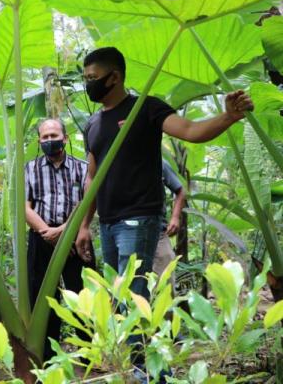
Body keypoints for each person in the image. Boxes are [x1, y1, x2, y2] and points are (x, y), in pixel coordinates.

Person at [76, 47, 253, 381]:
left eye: (92, 78)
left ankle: (151, 375)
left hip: (139, 219)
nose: (88, 85)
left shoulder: (145, 108)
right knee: (122, 301)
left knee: (136, 298)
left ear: (115, 77)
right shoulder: (92, 124)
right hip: (109, 224)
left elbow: (189, 130)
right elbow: (92, 177)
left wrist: (228, 116)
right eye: (86, 79)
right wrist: (85, 225)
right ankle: (149, 371)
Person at [25, 118, 95, 362]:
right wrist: (48, 232)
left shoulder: (82, 168)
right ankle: (47, 356)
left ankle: (89, 355)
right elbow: (26, 207)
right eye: (45, 137)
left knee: (82, 293)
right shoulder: (29, 169)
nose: (49, 140)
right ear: (39, 141)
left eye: (54, 135)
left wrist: (64, 231)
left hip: (77, 237)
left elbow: (87, 203)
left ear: (65, 138)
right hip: (40, 238)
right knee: (43, 297)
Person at [153, 159, 186, 288]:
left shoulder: (158, 160)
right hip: (125, 229)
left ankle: (167, 308)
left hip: (158, 231)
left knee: (165, 281)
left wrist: (175, 217)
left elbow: (180, 190)